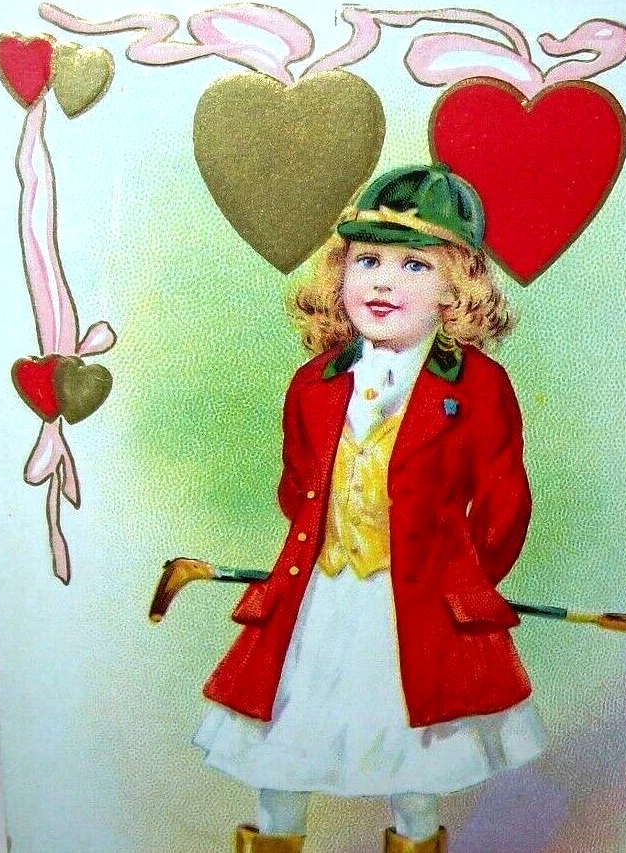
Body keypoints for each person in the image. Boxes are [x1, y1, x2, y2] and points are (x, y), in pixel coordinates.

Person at [154, 164, 545, 853]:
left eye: (414, 265)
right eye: (367, 261)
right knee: (281, 747)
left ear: (458, 288)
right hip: (319, 602)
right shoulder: (314, 383)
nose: (383, 283)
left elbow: (503, 504)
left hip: (418, 611)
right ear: (338, 274)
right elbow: (296, 486)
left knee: (417, 761)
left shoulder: (479, 388)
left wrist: (461, 585)